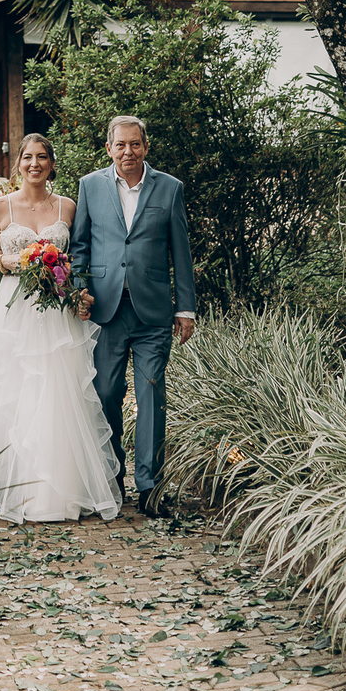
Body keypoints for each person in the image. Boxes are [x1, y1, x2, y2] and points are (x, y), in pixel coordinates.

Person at [0, 132, 122, 523]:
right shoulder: (0, 206)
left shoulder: (67, 205)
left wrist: (76, 289)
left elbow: (80, 253)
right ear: (18, 163)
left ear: (51, 163)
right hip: (14, 311)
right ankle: (17, 489)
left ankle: (61, 491)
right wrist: (15, 263)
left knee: (58, 392)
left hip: (56, 310)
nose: (35, 164)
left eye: (43, 157)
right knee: (16, 392)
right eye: (28, 157)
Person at [69, 115, 196, 516]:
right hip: (105, 310)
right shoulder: (90, 186)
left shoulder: (170, 188)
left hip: (153, 311)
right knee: (106, 394)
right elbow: (80, 246)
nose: (128, 152)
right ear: (109, 149)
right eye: (120, 145)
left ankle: (149, 486)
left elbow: (181, 252)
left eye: (135, 144)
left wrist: (185, 307)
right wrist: (78, 290)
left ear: (145, 146)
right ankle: (112, 477)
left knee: (151, 394)